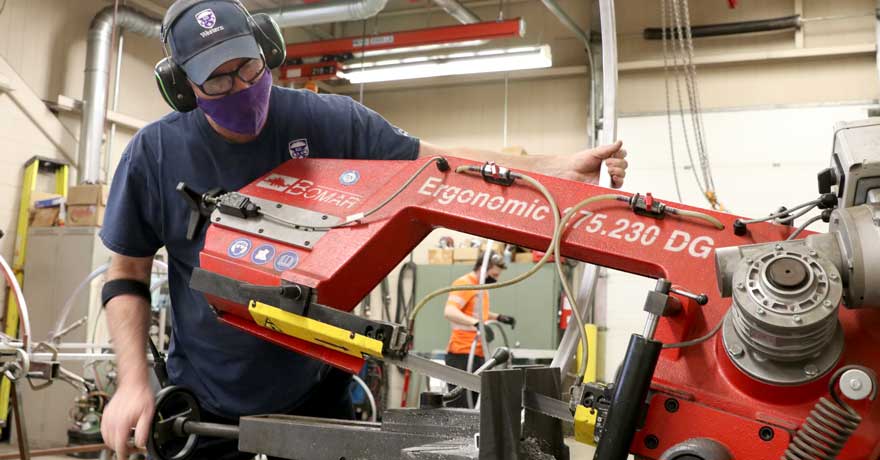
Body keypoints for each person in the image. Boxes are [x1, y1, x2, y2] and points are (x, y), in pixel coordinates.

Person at [98, 1, 630, 458]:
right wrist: (132, 383)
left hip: (315, 394)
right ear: (181, 86)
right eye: (217, 78)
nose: (240, 87)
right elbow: (126, 273)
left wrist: (557, 170)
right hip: (201, 401)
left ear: (269, 50)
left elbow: (438, 165)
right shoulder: (154, 153)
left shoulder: (330, 123)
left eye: (249, 67)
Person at [442, 251, 515, 407]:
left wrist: (498, 317)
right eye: (494, 274)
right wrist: (476, 324)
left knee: (476, 405)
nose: (496, 279)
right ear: (483, 268)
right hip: (461, 354)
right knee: (461, 406)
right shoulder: (465, 283)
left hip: (478, 354)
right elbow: (450, 311)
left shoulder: (481, 287)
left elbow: (477, 313)